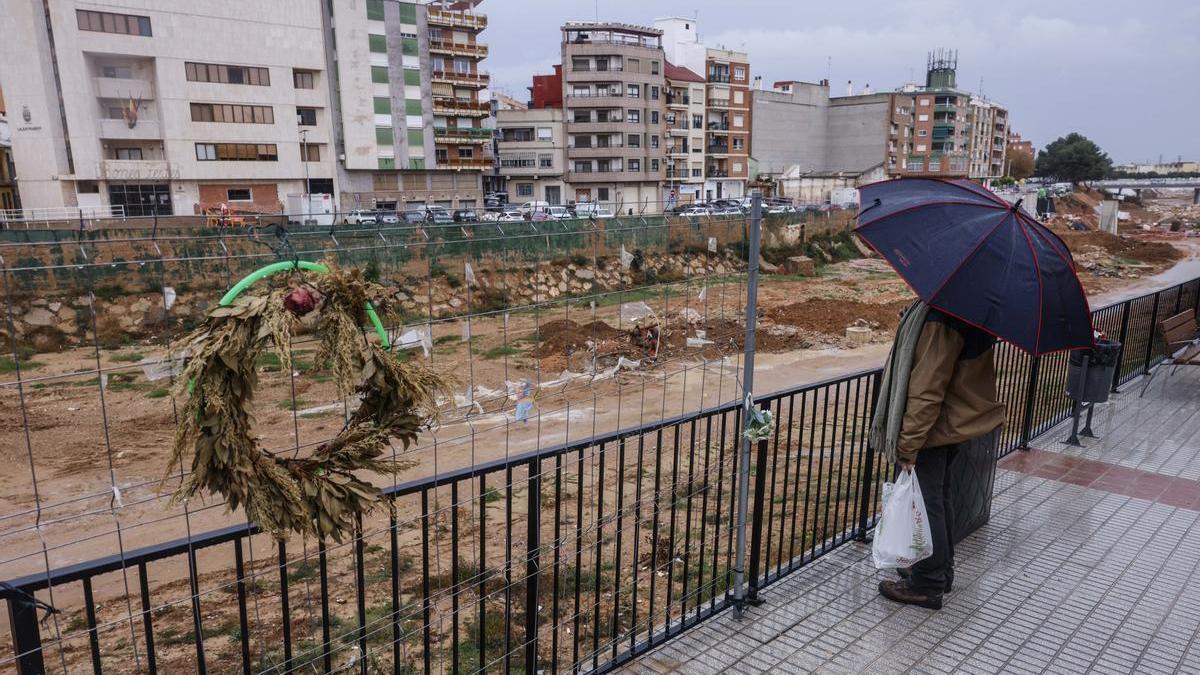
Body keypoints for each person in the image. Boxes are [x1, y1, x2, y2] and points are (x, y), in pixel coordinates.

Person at [871, 303, 1006, 610]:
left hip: (934, 429)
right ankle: (939, 571)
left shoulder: (942, 316)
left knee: (927, 503)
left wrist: (909, 444)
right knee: (938, 499)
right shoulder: (967, 310)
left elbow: (926, 390)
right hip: (952, 424)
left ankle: (927, 583)